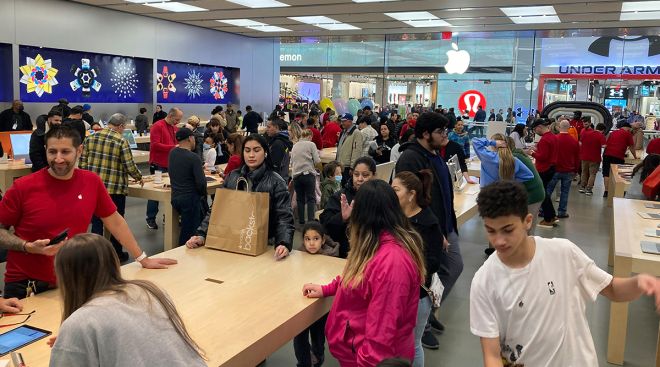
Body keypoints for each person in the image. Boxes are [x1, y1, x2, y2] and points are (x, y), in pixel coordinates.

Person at [470, 181, 660, 367]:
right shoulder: (484, 281)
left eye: (507, 230)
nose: (499, 241)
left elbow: (612, 289)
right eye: (491, 231)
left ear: (528, 221)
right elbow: (492, 355)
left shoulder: (564, 252)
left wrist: (639, 283)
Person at [0, 125, 176, 299]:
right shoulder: (23, 187)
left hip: (73, 282)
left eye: (65, 152)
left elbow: (115, 221)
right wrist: (27, 247)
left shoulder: (91, 182)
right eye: (52, 152)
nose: (58, 159)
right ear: (45, 150)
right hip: (26, 287)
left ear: (79, 150)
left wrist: (142, 258)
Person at [302, 179, 426, 366]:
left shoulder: (392, 264)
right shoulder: (374, 244)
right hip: (354, 352)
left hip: (368, 359)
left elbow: (381, 337)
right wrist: (327, 289)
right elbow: (357, 275)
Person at [49, 234, 206, 367]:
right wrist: (75, 340)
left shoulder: (81, 322)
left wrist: (72, 339)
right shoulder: (148, 291)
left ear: (66, 278)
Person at [395, 112, 463, 336]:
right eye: (440, 131)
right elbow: (410, 199)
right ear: (425, 134)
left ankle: (428, 314)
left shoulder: (436, 154)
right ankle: (420, 324)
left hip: (444, 225)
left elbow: (442, 190)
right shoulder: (411, 157)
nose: (446, 135)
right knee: (427, 276)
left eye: (446, 130)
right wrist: (433, 230)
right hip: (425, 229)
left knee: (452, 267)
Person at [186, 134, 295, 259]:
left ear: (265, 152)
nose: (251, 155)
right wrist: (201, 234)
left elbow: (284, 217)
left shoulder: (276, 181)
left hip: (264, 246)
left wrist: (283, 243)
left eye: (256, 150)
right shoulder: (233, 176)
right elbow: (217, 209)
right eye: (247, 150)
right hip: (231, 242)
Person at [391, 171, 443, 364]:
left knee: (412, 344)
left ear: (411, 194)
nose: (391, 194)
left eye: (395, 190)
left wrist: (406, 272)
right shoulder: (395, 218)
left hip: (417, 295)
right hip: (396, 292)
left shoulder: (428, 223)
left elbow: (434, 262)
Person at [80, 113, 143, 262]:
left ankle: (95, 254)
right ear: (120, 126)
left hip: (95, 189)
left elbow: (82, 163)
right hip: (115, 189)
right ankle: (117, 253)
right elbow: (129, 165)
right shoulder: (121, 140)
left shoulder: (90, 138)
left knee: (97, 222)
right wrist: (139, 177)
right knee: (117, 222)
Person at [293, 222, 339, 367]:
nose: (311, 243)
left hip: (320, 307)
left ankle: (317, 360)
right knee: (299, 337)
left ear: (323, 239)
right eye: (307, 239)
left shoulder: (332, 258)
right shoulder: (298, 256)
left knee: (318, 337)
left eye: (316, 238)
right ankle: (303, 363)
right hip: (301, 305)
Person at [320, 157, 376, 258]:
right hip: (344, 255)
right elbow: (325, 226)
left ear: (374, 176)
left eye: (365, 175)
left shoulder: (380, 197)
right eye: (356, 174)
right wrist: (342, 217)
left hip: (373, 254)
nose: (360, 179)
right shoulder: (340, 197)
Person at [169, 128, 208, 247]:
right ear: (190, 138)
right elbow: (201, 183)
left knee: (185, 228)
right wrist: (203, 195)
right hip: (190, 199)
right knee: (190, 233)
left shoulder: (172, 153)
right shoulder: (194, 158)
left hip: (175, 197)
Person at [146, 108, 181, 230]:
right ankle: (150, 218)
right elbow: (155, 145)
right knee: (156, 192)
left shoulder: (174, 127)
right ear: (170, 116)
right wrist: (173, 147)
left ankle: (169, 217)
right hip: (158, 164)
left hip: (171, 164)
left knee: (171, 192)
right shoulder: (157, 126)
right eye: (176, 119)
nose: (177, 122)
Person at [545, 120, 579, 218]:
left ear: (559, 127)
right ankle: (562, 212)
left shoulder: (554, 139)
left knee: (548, 190)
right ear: (569, 128)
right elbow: (577, 158)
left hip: (554, 169)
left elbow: (549, 155)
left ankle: (543, 210)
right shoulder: (574, 141)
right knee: (565, 192)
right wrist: (575, 171)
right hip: (568, 170)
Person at [528, 118, 558, 228]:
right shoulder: (552, 137)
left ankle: (548, 218)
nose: (535, 132)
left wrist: (532, 153)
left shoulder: (545, 139)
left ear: (539, 127)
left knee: (543, 194)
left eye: (535, 130)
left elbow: (543, 156)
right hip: (551, 168)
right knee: (545, 193)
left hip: (544, 169)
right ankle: (552, 215)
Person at [290, 129, 321, 224]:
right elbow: (317, 160)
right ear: (310, 136)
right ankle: (311, 221)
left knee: (300, 199)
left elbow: (292, 162)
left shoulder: (294, 146)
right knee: (311, 198)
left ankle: (301, 221)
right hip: (308, 174)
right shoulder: (311, 144)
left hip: (296, 176)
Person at [603, 122, 637, 197]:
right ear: (628, 128)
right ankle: (620, 191)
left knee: (606, 173)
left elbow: (607, 144)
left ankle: (606, 191)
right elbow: (631, 147)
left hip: (607, 154)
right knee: (619, 174)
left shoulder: (613, 132)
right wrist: (635, 156)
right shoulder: (628, 134)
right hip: (617, 156)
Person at [336, 113, 365, 187]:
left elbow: (356, 151)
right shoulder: (343, 132)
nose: (342, 123)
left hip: (348, 167)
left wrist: (353, 167)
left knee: (348, 187)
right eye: (341, 121)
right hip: (340, 165)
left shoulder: (356, 133)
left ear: (350, 121)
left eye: (344, 121)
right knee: (340, 186)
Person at [579, 122, 607, 196]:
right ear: (603, 130)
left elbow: (580, 143)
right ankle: (589, 189)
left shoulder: (586, 133)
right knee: (592, 174)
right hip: (595, 158)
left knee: (584, 172)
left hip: (584, 156)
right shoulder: (601, 136)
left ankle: (582, 187)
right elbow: (604, 146)